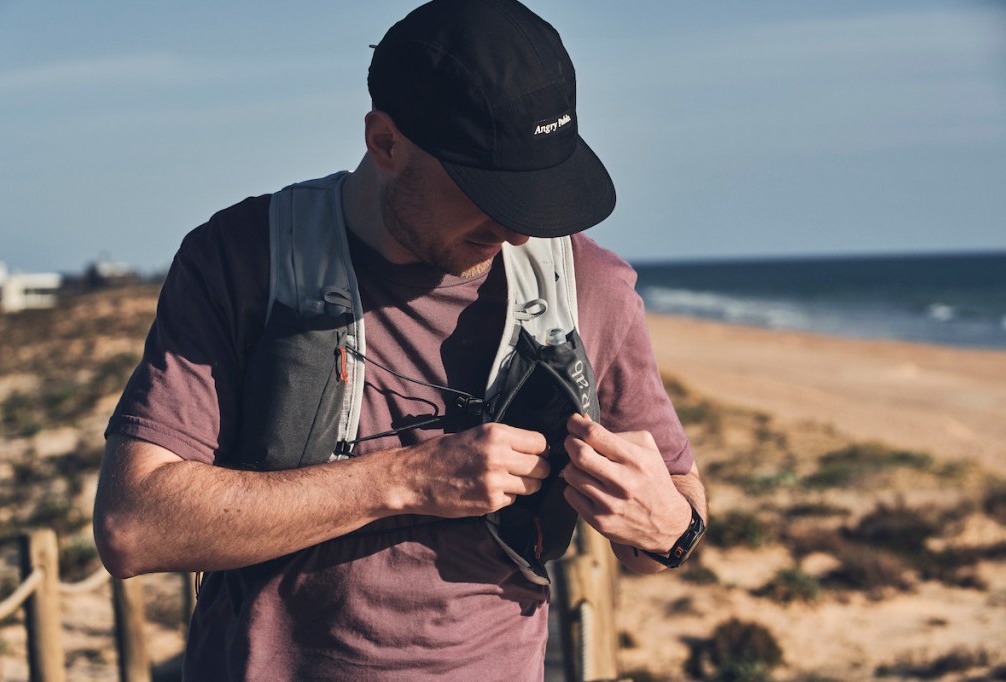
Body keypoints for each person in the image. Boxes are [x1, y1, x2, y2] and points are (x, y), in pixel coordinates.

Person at [93, 0, 707, 678]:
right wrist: (406, 482)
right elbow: (132, 527)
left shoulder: (587, 283)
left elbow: (671, 524)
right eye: (490, 191)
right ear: (385, 142)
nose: (520, 231)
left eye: (536, 195)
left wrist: (669, 529)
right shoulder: (243, 259)